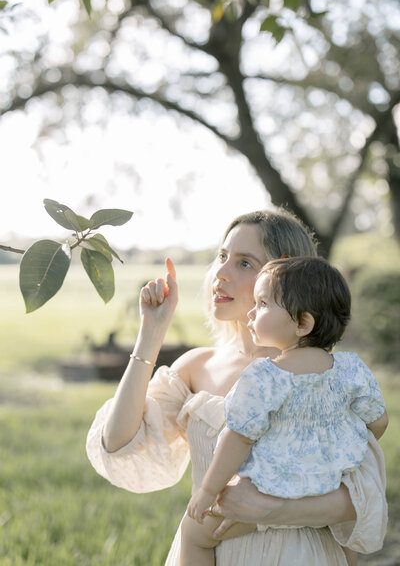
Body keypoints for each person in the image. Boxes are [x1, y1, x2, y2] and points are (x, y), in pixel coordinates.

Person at [86, 209, 388, 566]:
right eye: (222, 257)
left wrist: (270, 509)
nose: (221, 274)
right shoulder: (198, 366)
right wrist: (151, 332)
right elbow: (118, 443)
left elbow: (364, 495)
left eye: (245, 263)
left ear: (285, 274)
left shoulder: (326, 376)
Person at [181, 257, 388, 566]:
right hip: (325, 492)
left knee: (193, 534)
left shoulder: (266, 377)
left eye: (263, 303)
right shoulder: (351, 370)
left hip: (264, 493)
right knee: (344, 551)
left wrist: (208, 490)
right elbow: (378, 422)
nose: (252, 311)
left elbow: (238, 438)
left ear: (302, 323)